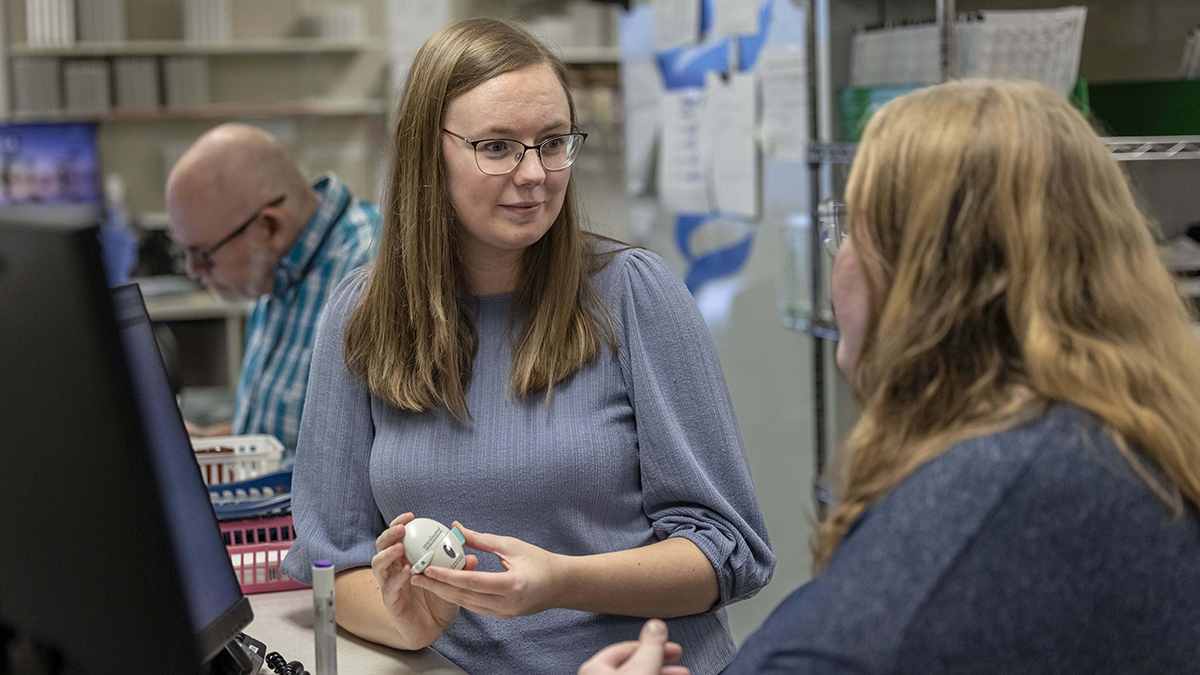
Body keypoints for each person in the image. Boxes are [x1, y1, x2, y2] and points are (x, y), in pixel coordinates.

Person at [583, 79, 1200, 675]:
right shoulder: (1123, 437)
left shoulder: (994, 491)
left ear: (927, 280)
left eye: (851, 230)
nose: (838, 262)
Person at [279, 17, 775, 675]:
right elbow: (330, 565)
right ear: (428, 153)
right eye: (497, 146)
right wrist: (411, 615)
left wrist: (563, 580)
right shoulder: (360, 315)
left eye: (552, 142)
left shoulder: (633, 295)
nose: (535, 173)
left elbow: (728, 550)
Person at [166, 123, 381, 455]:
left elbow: (367, 458)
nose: (193, 271)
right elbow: (280, 435)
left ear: (270, 226)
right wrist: (214, 445)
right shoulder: (269, 265)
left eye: (204, 254)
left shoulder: (371, 267)